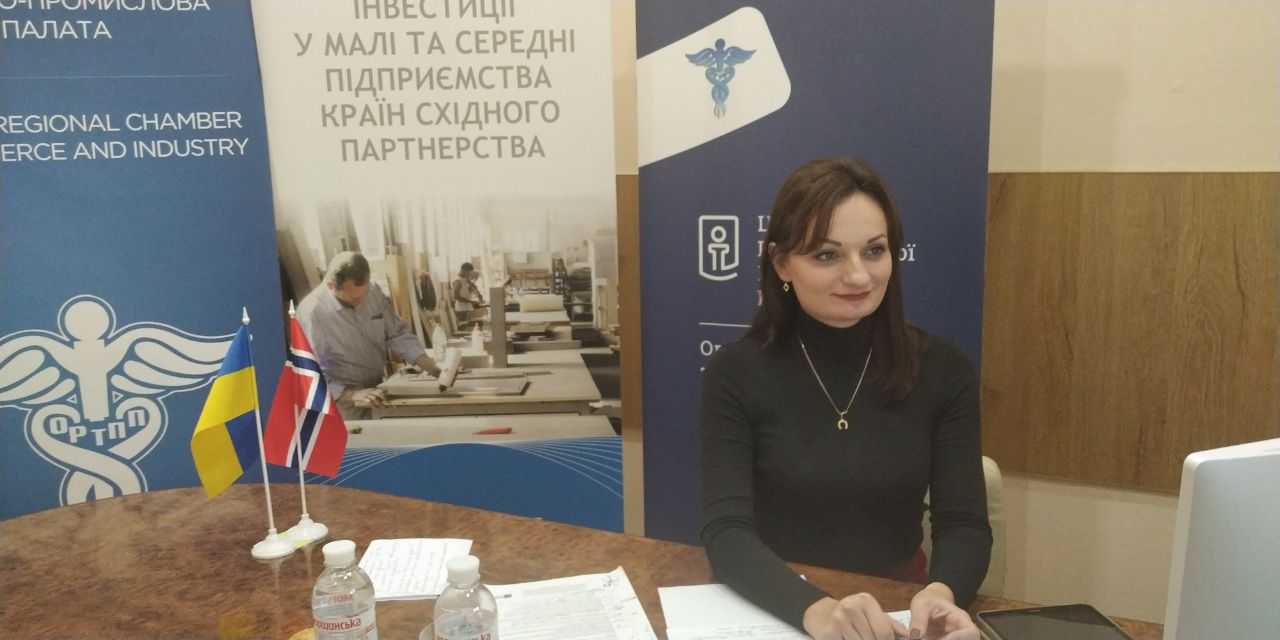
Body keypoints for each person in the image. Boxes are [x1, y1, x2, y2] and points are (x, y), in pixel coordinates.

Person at [700, 157, 991, 640]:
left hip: (899, 609)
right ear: (781, 263)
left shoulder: (943, 368)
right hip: (776, 605)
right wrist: (815, 611)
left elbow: (964, 523)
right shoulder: (735, 372)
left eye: (874, 250)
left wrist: (941, 594)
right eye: (827, 255)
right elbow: (726, 532)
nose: (858, 276)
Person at [309, 251, 442, 420]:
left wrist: (430, 366)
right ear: (330, 286)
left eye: (363, 295)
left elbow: (397, 333)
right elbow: (307, 374)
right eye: (352, 299)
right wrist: (351, 394)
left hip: (375, 390)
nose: (360, 302)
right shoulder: (312, 314)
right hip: (340, 402)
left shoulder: (373, 292)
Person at [450, 262, 485, 328]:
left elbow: (472, 286)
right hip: (461, 310)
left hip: (468, 308)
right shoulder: (457, 281)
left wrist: (478, 294)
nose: (469, 274)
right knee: (463, 327)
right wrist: (470, 301)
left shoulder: (466, 278)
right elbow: (455, 296)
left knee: (470, 328)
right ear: (463, 270)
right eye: (468, 272)